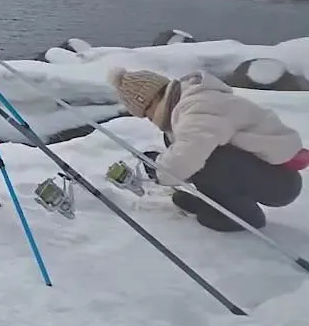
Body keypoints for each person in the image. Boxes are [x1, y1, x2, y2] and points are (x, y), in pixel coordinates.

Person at [108, 67, 308, 232]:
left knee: (210, 156)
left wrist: (158, 169)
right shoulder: (186, 104)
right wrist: (163, 163)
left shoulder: (197, 107)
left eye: (146, 114)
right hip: (261, 170)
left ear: (149, 101)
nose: (150, 120)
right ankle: (214, 203)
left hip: (279, 182)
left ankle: (243, 215)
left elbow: (188, 156)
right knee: (179, 141)